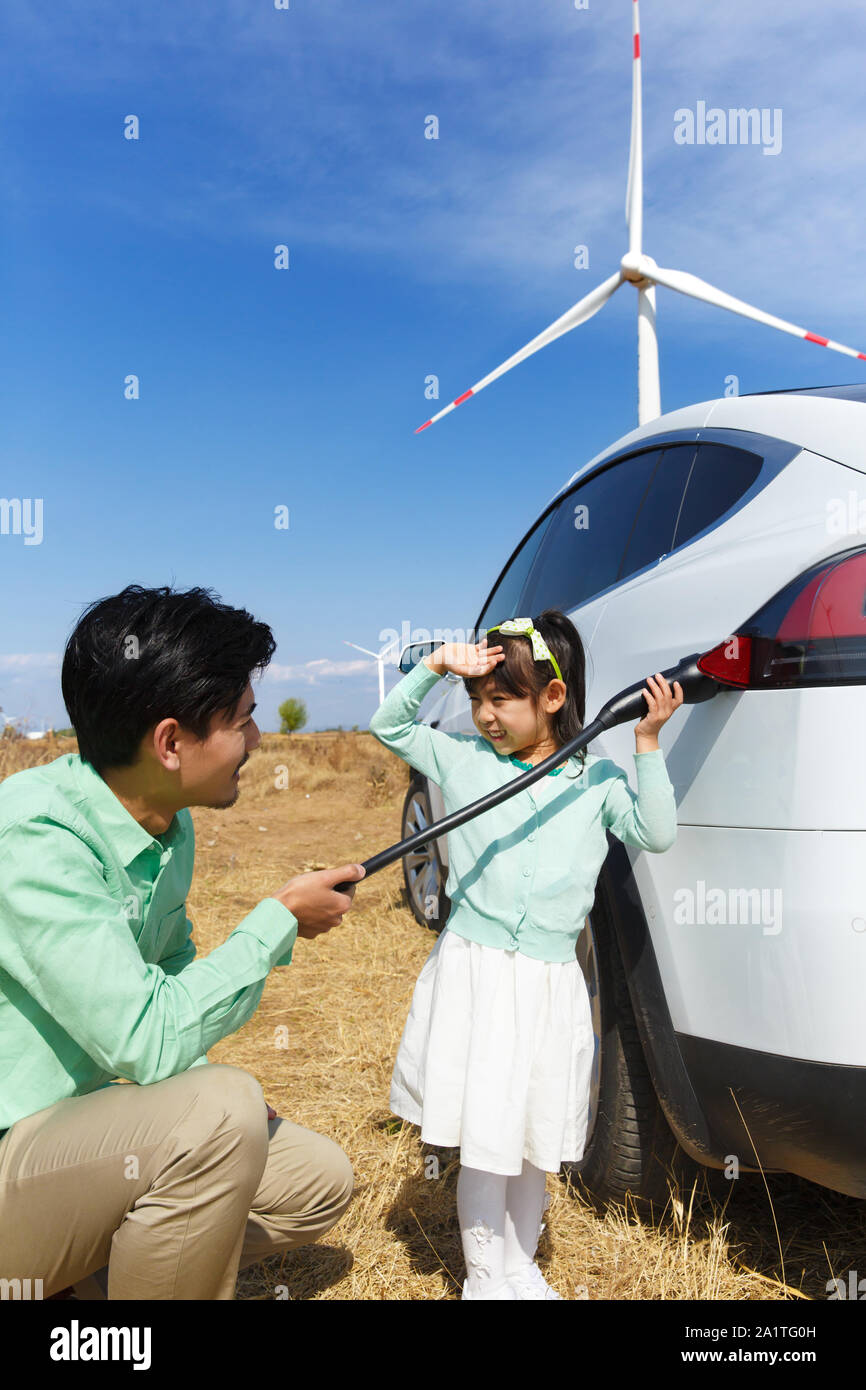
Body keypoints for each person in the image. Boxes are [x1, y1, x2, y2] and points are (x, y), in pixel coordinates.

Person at [0, 584, 366, 1300]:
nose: (258, 742)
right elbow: (144, 1036)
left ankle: (112, 1274)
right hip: (17, 1153)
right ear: (171, 743)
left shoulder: (166, 822)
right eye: (242, 721)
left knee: (315, 1182)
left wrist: (195, 1088)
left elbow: (167, 968)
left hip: (86, 1136)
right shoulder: (34, 840)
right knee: (220, 1112)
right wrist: (275, 923)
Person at [369, 610, 682, 1300]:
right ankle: (485, 1275)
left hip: (547, 981)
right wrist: (438, 669)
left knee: (532, 1135)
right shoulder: (464, 760)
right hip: (479, 974)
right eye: (478, 700)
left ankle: (521, 1265)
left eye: (500, 699)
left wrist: (648, 744)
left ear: (554, 698)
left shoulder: (595, 781)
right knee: (487, 1135)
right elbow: (389, 728)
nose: (484, 715)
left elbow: (655, 833)